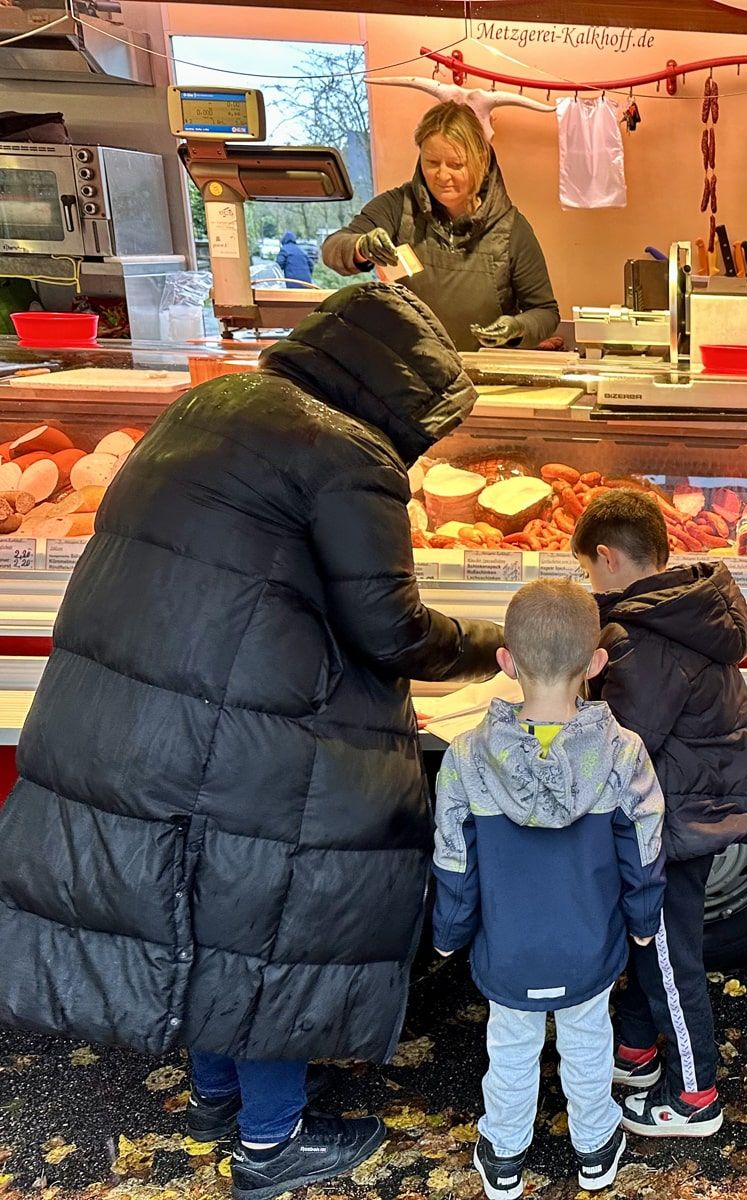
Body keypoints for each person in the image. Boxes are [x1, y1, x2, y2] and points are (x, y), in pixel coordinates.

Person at [0, 282, 504, 1200]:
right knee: (267, 911)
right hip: (241, 728)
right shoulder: (348, 450)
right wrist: (487, 647)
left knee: (198, 899)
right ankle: (272, 1143)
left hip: (141, 709)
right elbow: (388, 629)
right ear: (396, 396)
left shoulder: (214, 400)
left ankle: (216, 1092)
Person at [432, 579, 667, 1197]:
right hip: (588, 944)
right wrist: (643, 918)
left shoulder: (466, 756)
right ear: (596, 663)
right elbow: (643, 848)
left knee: (509, 1047)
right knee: (590, 1043)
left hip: (508, 948)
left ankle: (505, 1154)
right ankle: (594, 1147)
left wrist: (449, 934)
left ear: (505, 662)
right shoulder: (624, 753)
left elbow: (454, 858)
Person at [570, 488, 747, 1138]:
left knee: (664, 956)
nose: (587, 584)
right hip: (691, 805)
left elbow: (624, 741)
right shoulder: (686, 612)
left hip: (670, 821)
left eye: (585, 572)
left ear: (605, 558)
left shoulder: (641, 635)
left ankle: (695, 1096)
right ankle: (635, 1052)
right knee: (649, 943)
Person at [322, 100, 560, 352]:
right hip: (408, 368)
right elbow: (333, 248)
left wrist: (517, 326)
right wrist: (360, 246)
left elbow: (545, 312)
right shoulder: (397, 207)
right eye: (432, 163)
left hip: (485, 373)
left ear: (480, 159)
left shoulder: (511, 228)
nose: (442, 175)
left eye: (456, 165)